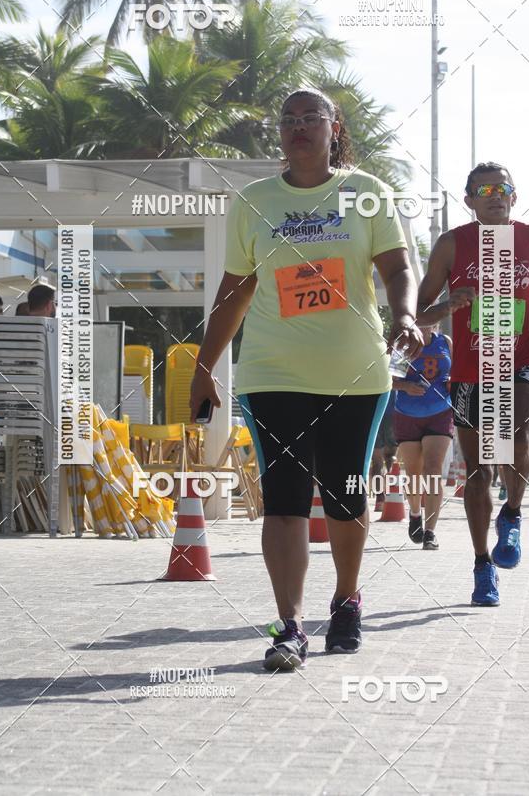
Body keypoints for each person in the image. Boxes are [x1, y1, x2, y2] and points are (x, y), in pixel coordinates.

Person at [190, 88, 423, 671]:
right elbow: (235, 290)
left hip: (355, 373)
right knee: (286, 502)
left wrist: (406, 316)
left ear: (332, 127)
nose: (298, 128)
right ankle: (288, 625)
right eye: (287, 119)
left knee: (345, 497)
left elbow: (398, 266)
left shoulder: (365, 193)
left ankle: (346, 599)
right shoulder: (253, 201)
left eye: (310, 118)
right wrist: (204, 366)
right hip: (273, 373)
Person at [416, 162, 529, 606]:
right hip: (469, 365)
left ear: (514, 196)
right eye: (483, 189)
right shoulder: (452, 244)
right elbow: (418, 310)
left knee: (518, 434)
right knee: (479, 471)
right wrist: (446, 304)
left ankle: (514, 514)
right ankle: (483, 565)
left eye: (502, 187)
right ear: (469, 200)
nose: (494, 194)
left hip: (524, 354)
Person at [391, 323, 453, 550]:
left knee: (433, 469)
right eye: (421, 319)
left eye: (432, 319)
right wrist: (405, 385)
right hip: (407, 413)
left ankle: (430, 532)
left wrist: (452, 381)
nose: (427, 324)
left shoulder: (445, 342)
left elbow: (457, 372)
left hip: (441, 411)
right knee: (414, 473)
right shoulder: (403, 343)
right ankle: (415, 513)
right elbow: (387, 380)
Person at [370, 388, 397, 507]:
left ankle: (380, 498)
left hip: (375, 413)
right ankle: (387, 493)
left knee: (379, 461)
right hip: (391, 412)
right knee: (390, 457)